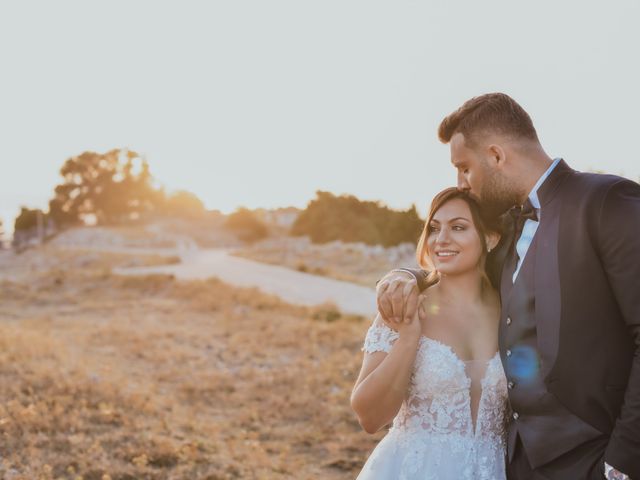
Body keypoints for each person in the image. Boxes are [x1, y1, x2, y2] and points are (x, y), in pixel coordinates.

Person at [376, 93, 640, 479]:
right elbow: (459, 267)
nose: (462, 184)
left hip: (594, 460)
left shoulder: (604, 202)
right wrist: (403, 276)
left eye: (464, 168)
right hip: (511, 463)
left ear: (496, 156)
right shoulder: (510, 227)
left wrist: (623, 462)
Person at [351, 187, 507, 479]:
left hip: (492, 470)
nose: (442, 239)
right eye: (434, 229)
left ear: (490, 238)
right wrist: (409, 338)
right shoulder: (402, 306)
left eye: (458, 227)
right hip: (414, 469)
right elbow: (369, 418)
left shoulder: (510, 314)